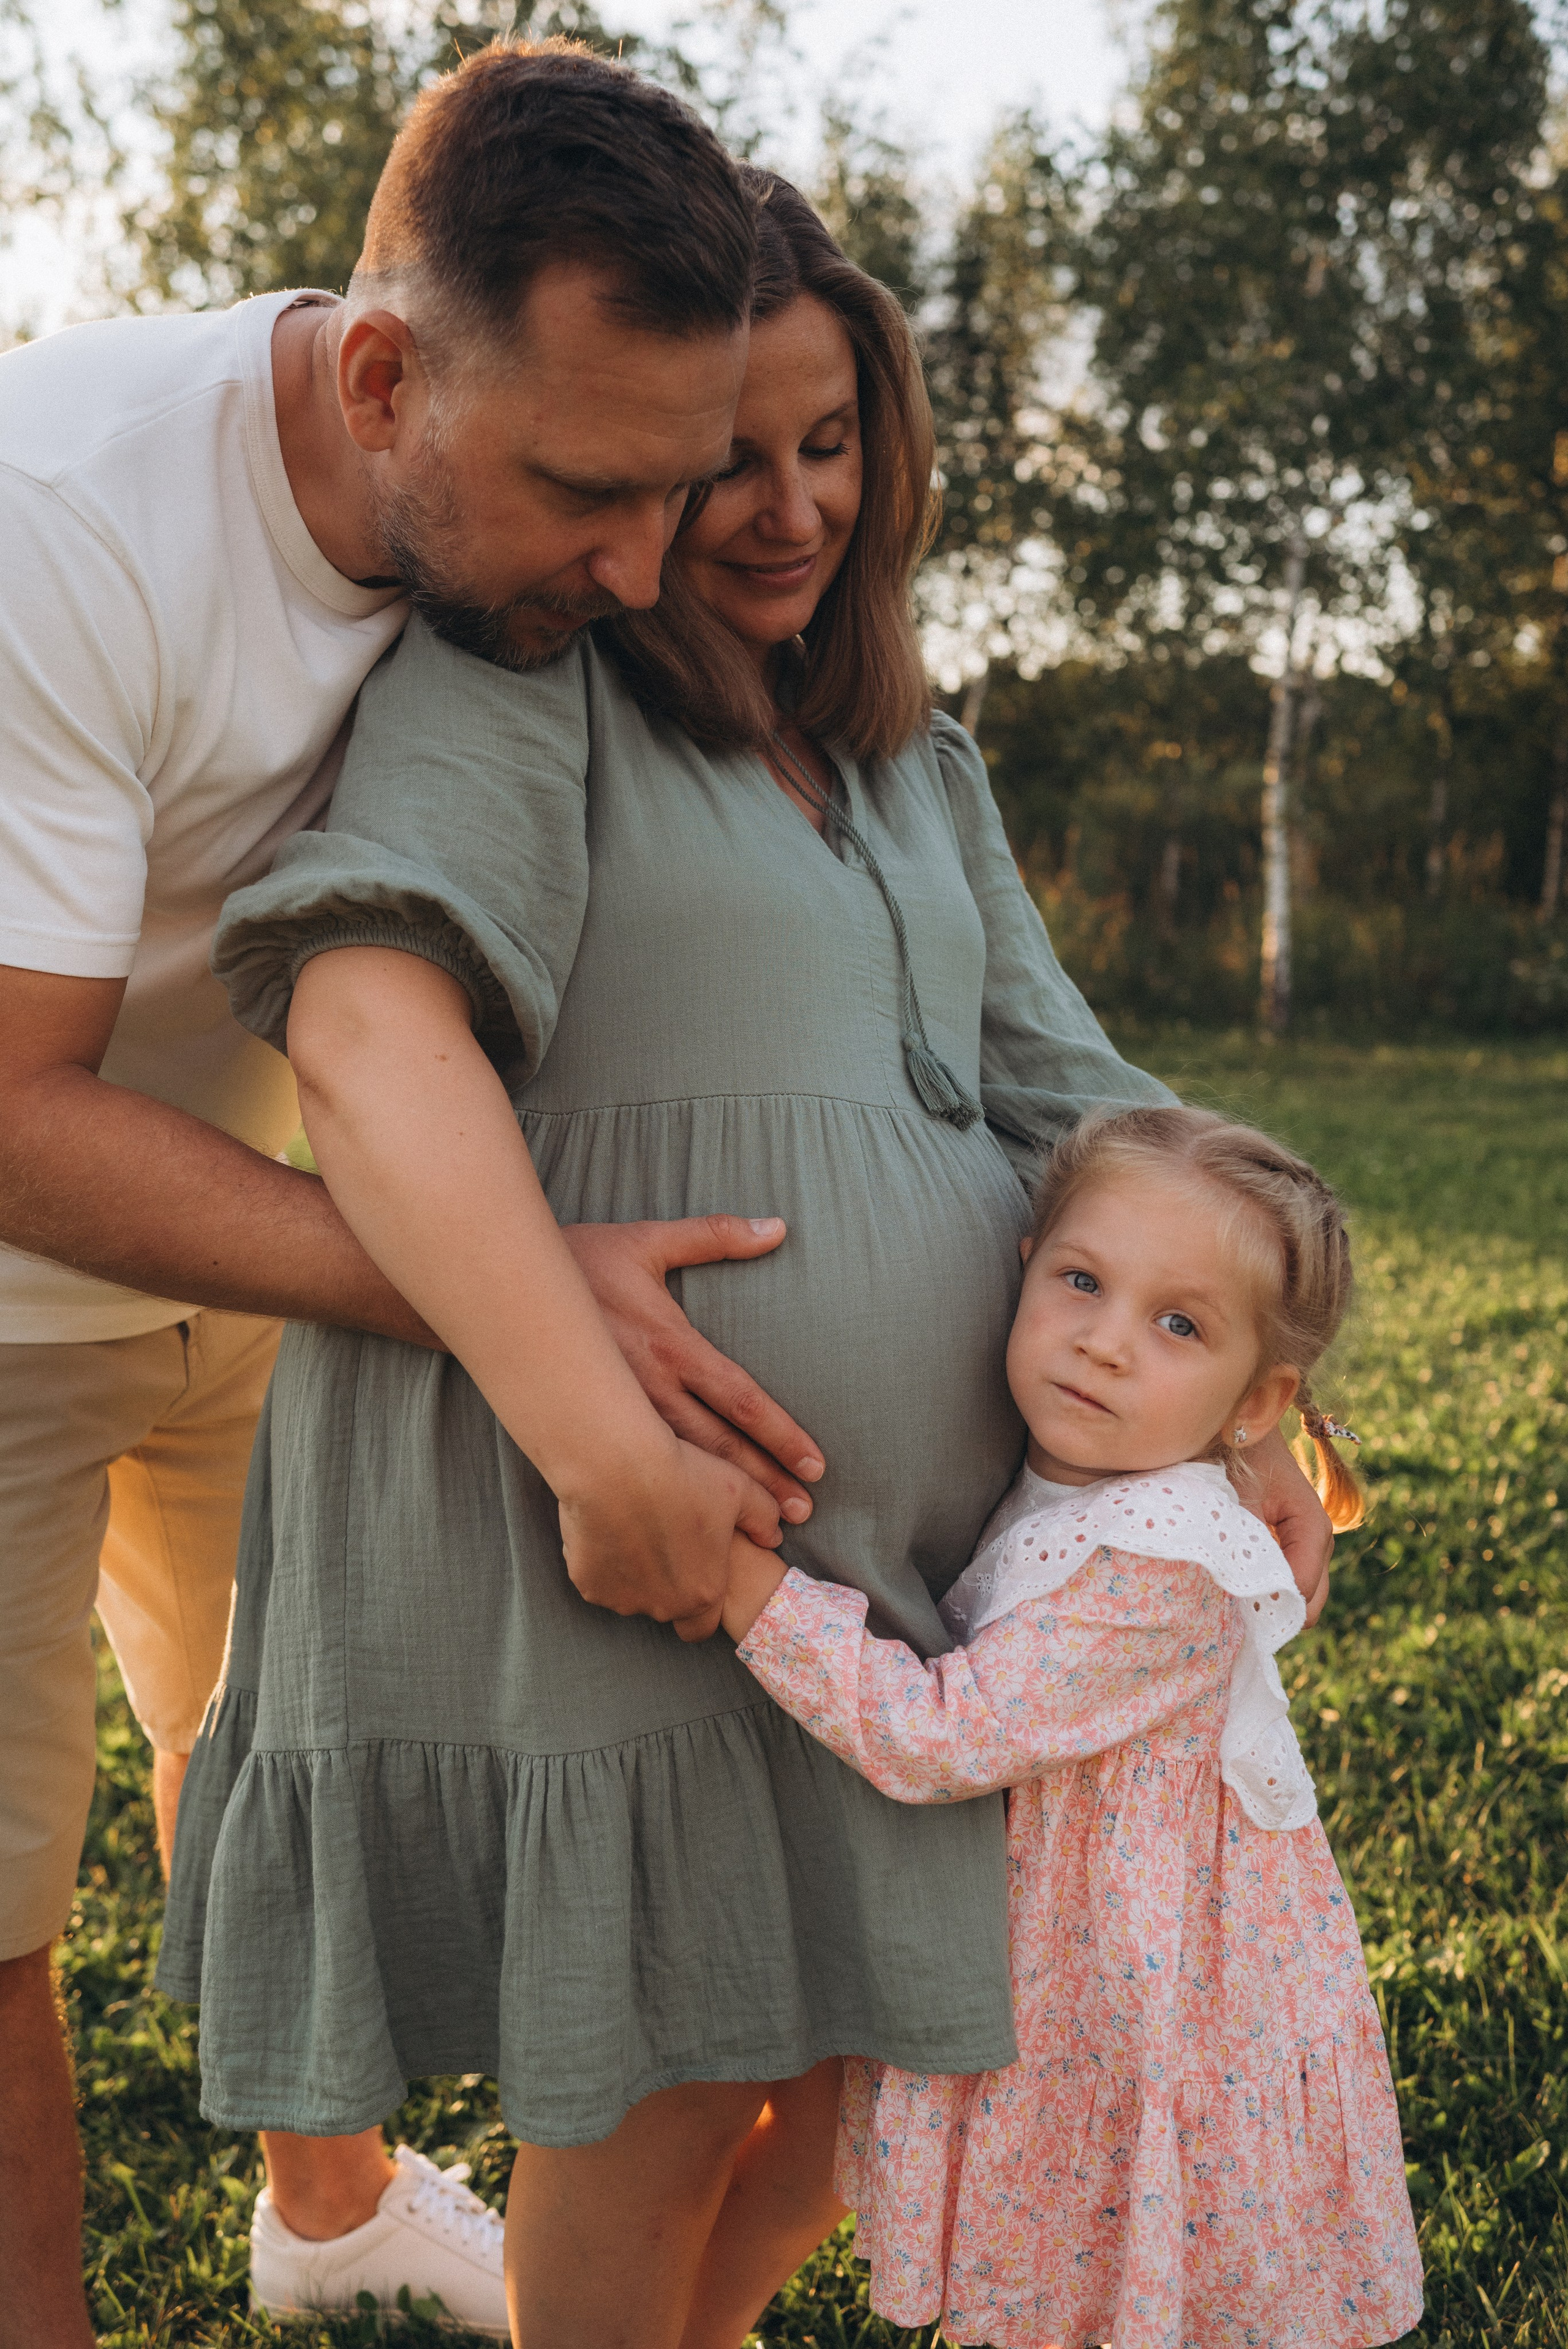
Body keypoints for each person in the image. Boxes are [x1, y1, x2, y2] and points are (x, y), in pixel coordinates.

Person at [162, 176, 1336, 2349]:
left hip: (903, 1548)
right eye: (729, 456)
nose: (786, 505)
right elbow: (369, 982)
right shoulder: (534, 682)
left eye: (831, 441)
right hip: (621, 1500)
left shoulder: (913, 759)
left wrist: (1264, 1392)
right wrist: (594, 1426)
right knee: (681, 2079)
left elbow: (1076, 1085)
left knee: (836, 2096)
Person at [0, 42, 858, 2342]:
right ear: (378, 378)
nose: (644, 563)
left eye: (676, 487)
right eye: (592, 490)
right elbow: (10, 1102)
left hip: (235, 1210)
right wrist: (503, 1303)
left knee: (264, 1732)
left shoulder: (508, 526)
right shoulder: (57, 522)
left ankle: (337, 2207)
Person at [717, 1102, 1425, 2349]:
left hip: (1139, 1998)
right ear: (1022, 1267)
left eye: (1175, 1324)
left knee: (1131, 2264)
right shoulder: (1078, 1472)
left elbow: (936, 1736)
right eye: (1080, 1281)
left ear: (1254, 1400)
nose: (1101, 1344)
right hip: (1077, 1952)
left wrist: (736, 1584)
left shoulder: (1166, 1563)